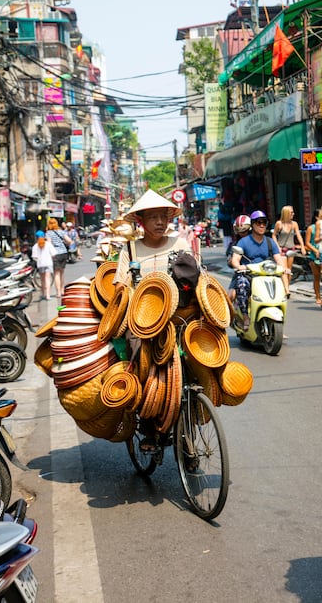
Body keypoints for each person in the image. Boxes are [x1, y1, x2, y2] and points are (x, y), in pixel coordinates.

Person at [114, 189, 193, 453]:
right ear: (141, 222)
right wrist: (127, 289)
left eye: (164, 216)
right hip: (142, 323)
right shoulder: (131, 249)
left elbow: (196, 278)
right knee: (144, 368)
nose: (160, 222)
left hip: (177, 318)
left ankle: (191, 417)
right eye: (153, 217)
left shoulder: (180, 245)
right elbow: (120, 286)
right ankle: (148, 424)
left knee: (195, 366)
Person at [230, 210, 283, 330]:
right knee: (241, 285)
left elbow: (278, 259)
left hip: (267, 275)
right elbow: (235, 259)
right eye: (259, 223)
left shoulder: (270, 242)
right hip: (249, 274)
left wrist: (284, 268)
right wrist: (239, 266)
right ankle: (245, 316)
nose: (262, 225)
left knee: (280, 287)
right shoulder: (243, 242)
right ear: (252, 225)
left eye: (264, 223)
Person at [272, 206, 306, 296]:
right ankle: (287, 290)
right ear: (286, 213)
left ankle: (286, 287)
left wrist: (302, 246)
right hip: (282, 249)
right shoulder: (279, 224)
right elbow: (274, 235)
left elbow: (298, 235)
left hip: (291, 248)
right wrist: (277, 246)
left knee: (289, 270)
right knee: (284, 270)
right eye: (291, 212)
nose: (293, 214)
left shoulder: (294, 224)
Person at [227, 215, 251, 301]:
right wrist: (233, 262)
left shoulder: (259, 241)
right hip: (242, 273)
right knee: (231, 296)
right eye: (240, 231)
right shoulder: (235, 244)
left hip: (259, 273)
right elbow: (229, 259)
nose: (242, 234)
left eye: (244, 231)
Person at [45, 217, 71, 298]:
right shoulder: (61, 232)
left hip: (55, 254)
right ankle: (62, 290)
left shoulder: (48, 233)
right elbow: (69, 241)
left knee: (56, 274)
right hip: (64, 253)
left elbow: (49, 244)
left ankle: (58, 292)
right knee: (62, 273)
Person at [31, 230, 56, 300]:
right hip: (48, 263)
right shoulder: (48, 244)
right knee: (48, 279)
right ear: (44, 236)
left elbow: (34, 257)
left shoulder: (35, 246)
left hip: (40, 264)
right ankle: (48, 295)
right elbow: (54, 254)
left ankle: (43, 294)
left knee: (42, 280)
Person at [305, 209, 322, 304]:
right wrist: (315, 250)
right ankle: (318, 296)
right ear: (316, 217)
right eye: (321, 215)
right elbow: (307, 243)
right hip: (313, 255)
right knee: (317, 277)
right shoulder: (311, 228)